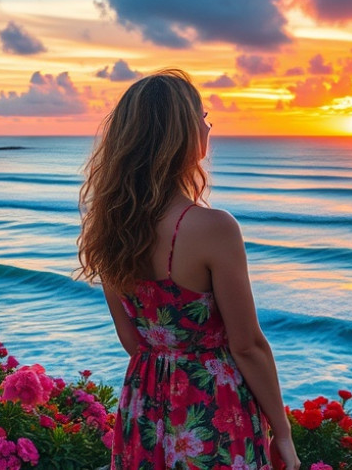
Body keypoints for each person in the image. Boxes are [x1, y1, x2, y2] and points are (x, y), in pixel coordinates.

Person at [76, 69, 300, 470]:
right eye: (202, 115)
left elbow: (134, 341)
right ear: (180, 132)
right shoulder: (213, 228)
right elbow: (247, 345)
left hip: (143, 408)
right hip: (212, 409)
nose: (208, 126)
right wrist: (282, 431)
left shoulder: (110, 227)